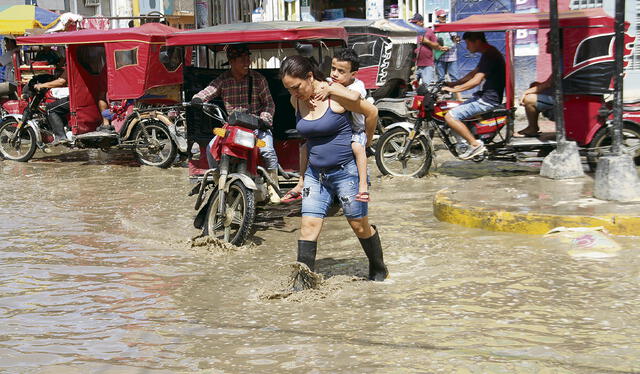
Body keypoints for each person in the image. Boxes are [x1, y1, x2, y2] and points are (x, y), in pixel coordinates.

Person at [280, 55, 388, 281]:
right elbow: (305, 144)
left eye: (297, 87)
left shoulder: (336, 95)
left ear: (309, 77)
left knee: (359, 226)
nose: (294, 93)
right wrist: (301, 179)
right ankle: (303, 285)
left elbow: (372, 113)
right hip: (315, 175)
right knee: (308, 226)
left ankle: (378, 268)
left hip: (345, 172)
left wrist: (365, 142)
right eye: (289, 89)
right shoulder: (295, 101)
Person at [191, 44, 280, 204]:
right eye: (242, 59)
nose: (247, 62)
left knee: (267, 150)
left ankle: (273, 184)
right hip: (231, 128)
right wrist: (197, 99)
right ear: (231, 61)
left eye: (248, 58)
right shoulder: (223, 79)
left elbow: (269, 104)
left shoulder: (258, 79)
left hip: (256, 126)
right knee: (211, 149)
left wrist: (264, 119)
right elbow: (208, 90)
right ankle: (218, 177)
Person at [283, 48, 372, 204]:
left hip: (356, 133)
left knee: (358, 148)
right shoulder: (304, 96)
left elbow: (370, 111)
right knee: (304, 147)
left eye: (341, 71)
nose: (335, 74)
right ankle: (300, 182)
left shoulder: (349, 87)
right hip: (318, 171)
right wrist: (306, 98)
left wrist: (368, 140)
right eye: (333, 69)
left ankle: (363, 186)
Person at [442, 32, 505, 160]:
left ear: (476, 41)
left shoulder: (490, 55)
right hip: (486, 97)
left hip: (487, 100)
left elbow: (476, 80)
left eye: (467, 43)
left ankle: (475, 144)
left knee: (450, 116)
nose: (466, 46)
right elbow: (474, 73)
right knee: (453, 110)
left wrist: (454, 89)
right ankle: (465, 141)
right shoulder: (488, 53)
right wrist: (454, 83)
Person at [517, 34, 559, 137]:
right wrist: (533, 88)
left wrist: (526, 92)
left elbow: (549, 84)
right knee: (534, 85)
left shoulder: (561, 59)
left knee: (529, 99)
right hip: (558, 93)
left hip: (562, 98)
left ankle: (533, 128)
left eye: (548, 41)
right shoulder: (559, 57)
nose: (546, 43)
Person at [34, 67, 71, 145]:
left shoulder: (73, 63)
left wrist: (42, 85)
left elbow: (61, 81)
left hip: (77, 96)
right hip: (86, 94)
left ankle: (60, 137)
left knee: (50, 109)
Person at [409, 13, 448, 86]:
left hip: (427, 65)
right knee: (410, 87)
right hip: (413, 66)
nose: (413, 24)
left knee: (426, 88)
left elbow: (436, 45)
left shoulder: (429, 31)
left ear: (421, 22)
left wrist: (427, 41)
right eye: (412, 23)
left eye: (415, 22)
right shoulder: (410, 32)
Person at [434, 9, 462, 101]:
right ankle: (441, 98)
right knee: (440, 78)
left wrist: (456, 40)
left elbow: (455, 39)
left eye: (444, 16)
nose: (443, 18)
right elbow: (433, 41)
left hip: (451, 56)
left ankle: (457, 98)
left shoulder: (450, 27)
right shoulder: (435, 28)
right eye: (441, 17)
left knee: (454, 78)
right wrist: (439, 47)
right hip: (440, 56)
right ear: (437, 17)